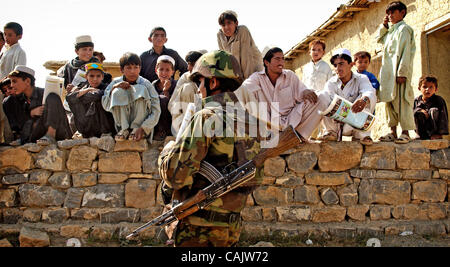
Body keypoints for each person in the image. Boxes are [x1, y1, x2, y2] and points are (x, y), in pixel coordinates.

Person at [158, 50, 266, 247]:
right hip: (231, 228)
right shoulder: (251, 121)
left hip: (197, 227)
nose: (198, 89)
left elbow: (175, 176)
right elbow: (255, 178)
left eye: (200, 82)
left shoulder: (206, 117)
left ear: (213, 82)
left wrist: (167, 152)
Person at [241, 47, 327, 140]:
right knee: (249, 98)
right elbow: (242, 91)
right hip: (268, 123)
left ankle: (299, 137)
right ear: (266, 62)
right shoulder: (257, 78)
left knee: (321, 98)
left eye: (283, 59)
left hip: (291, 120)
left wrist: (306, 91)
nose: (281, 62)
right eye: (277, 59)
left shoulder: (290, 75)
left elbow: (302, 92)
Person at [376, 1, 416, 144]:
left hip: (399, 73)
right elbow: (379, 39)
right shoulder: (391, 31)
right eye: (388, 13)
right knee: (389, 102)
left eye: (393, 12)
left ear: (402, 13)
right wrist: (384, 26)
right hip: (387, 74)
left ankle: (405, 132)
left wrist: (402, 72)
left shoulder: (404, 29)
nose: (390, 15)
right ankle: (392, 132)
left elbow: (406, 53)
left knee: (402, 101)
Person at [320, 49, 377, 145]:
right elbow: (327, 100)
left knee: (366, 99)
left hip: (355, 124)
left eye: (341, 64)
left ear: (351, 64)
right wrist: (334, 113)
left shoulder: (361, 78)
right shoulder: (331, 82)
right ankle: (330, 132)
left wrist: (363, 100)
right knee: (322, 97)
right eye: (335, 65)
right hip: (335, 124)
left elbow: (369, 91)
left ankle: (362, 135)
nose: (338, 68)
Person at [4, 65, 71, 145]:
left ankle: (50, 135)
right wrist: (31, 113)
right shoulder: (18, 99)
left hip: (59, 132)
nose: (12, 85)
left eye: (14, 81)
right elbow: (20, 122)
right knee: (8, 101)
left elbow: (58, 115)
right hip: (36, 134)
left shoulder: (44, 93)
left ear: (27, 81)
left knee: (53, 97)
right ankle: (23, 139)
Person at [102, 52, 161, 142]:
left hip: (142, 127)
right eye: (128, 68)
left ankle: (136, 128)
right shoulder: (115, 82)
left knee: (141, 89)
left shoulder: (146, 84)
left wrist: (143, 127)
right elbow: (106, 105)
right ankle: (124, 129)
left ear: (140, 69)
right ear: (122, 70)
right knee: (117, 92)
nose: (132, 71)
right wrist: (114, 88)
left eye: (135, 67)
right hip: (121, 126)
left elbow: (156, 109)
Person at [66, 63, 116, 138]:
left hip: (103, 126)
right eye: (91, 76)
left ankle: (105, 132)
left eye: (98, 76)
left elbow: (96, 96)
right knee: (74, 102)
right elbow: (69, 98)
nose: (95, 79)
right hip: (88, 126)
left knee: (98, 100)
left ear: (102, 77)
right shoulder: (84, 87)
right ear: (86, 76)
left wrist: (78, 94)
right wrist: (87, 90)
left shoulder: (106, 87)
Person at [217, 10, 263, 79]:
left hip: (253, 70)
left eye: (229, 23)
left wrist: (247, 81)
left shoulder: (242, 30)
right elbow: (224, 58)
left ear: (236, 23)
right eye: (223, 25)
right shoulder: (220, 35)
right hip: (237, 74)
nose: (226, 27)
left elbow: (246, 59)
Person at [168, 50, 205, 135]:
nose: (188, 68)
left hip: (205, 120)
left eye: (192, 64)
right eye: (188, 64)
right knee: (187, 88)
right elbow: (172, 105)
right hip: (184, 121)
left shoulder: (212, 77)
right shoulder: (185, 77)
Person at [413, 76, 448, 140]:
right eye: (424, 87)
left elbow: (443, 117)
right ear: (419, 88)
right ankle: (419, 134)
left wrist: (441, 133)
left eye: (431, 87)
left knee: (433, 111)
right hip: (422, 127)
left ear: (436, 89)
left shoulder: (439, 100)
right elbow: (411, 112)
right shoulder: (416, 100)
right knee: (417, 113)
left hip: (434, 127)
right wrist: (420, 110)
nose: (427, 89)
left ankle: (437, 135)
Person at [152, 55, 177, 140]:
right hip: (156, 117)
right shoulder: (153, 85)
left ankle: (164, 131)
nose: (164, 73)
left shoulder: (176, 85)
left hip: (171, 118)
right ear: (156, 70)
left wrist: (166, 91)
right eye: (161, 69)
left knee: (162, 99)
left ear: (172, 72)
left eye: (167, 70)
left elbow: (172, 106)